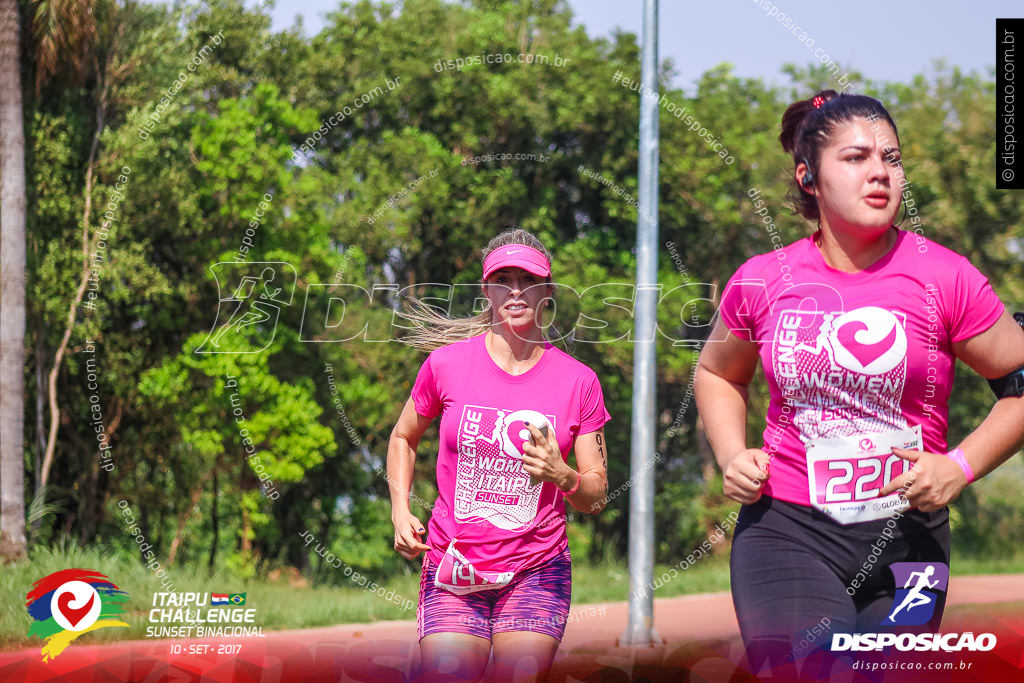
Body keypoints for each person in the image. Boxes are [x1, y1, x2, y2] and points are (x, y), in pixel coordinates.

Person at [694, 89, 1024, 673]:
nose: (880, 172)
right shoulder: (764, 278)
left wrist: (961, 465)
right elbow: (719, 372)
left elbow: (1018, 382)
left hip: (911, 541)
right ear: (808, 176)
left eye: (891, 158)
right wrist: (731, 452)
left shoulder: (944, 276)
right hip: (788, 529)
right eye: (856, 157)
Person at [386, 228, 612, 682]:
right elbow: (402, 438)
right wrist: (399, 510)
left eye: (527, 279)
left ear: (547, 290)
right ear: (486, 290)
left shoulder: (578, 382)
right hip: (455, 567)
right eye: (502, 279)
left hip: (536, 569)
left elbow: (597, 493)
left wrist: (562, 475)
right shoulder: (446, 365)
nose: (515, 290)